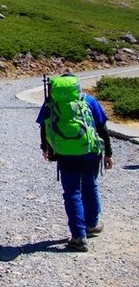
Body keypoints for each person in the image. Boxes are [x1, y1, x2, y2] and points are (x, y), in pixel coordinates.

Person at [36, 73, 114, 252]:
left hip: (65, 153)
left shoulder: (51, 103)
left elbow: (44, 126)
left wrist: (46, 148)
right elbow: (102, 127)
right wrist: (108, 153)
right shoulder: (89, 101)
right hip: (90, 152)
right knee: (90, 185)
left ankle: (78, 236)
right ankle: (92, 224)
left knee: (72, 192)